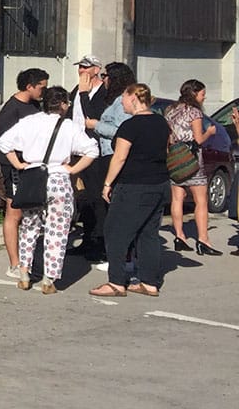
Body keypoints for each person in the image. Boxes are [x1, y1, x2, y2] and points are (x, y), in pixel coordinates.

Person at [0, 86, 98, 294]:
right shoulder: (69, 126)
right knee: (57, 229)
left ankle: (24, 272)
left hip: (33, 178)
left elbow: (4, 142)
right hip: (58, 178)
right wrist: (72, 169)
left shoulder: (29, 122)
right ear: (63, 104)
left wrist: (17, 164)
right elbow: (92, 150)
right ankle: (48, 278)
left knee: (29, 226)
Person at [91, 83, 169, 299]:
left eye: (123, 98)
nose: (121, 103)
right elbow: (167, 147)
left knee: (115, 231)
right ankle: (149, 282)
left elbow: (120, 157)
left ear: (134, 98)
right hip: (160, 184)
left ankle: (116, 282)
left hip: (135, 186)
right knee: (148, 233)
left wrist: (107, 184)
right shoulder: (161, 122)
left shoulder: (130, 126)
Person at [0, 68, 49, 282]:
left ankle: (27, 260)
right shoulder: (11, 110)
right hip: (15, 168)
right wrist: (18, 162)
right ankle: (14, 263)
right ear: (29, 86)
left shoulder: (36, 106)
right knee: (14, 213)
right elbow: (5, 143)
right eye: (41, 87)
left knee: (32, 214)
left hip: (33, 167)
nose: (43, 92)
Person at [165, 80, 222, 255]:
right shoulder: (194, 112)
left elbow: (169, 137)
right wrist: (210, 132)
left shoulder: (170, 110)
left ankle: (179, 236)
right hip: (192, 159)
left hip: (175, 158)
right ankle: (203, 239)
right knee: (201, 200)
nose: (204, 98)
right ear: (194, 94)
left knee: (177, 198)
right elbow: (198, 139)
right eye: (202, 94)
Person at [69, 56, 110, 254]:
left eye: (86, 67)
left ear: (96, 69)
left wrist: (85, 95)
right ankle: (87, 238)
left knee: (96, 196)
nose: (82, 71)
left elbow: (94, 116)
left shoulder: (102, 92)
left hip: (94, 150)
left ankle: (98, 241)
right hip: (75, 149)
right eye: (80, 67)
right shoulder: (76, 90)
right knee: (82, 197)